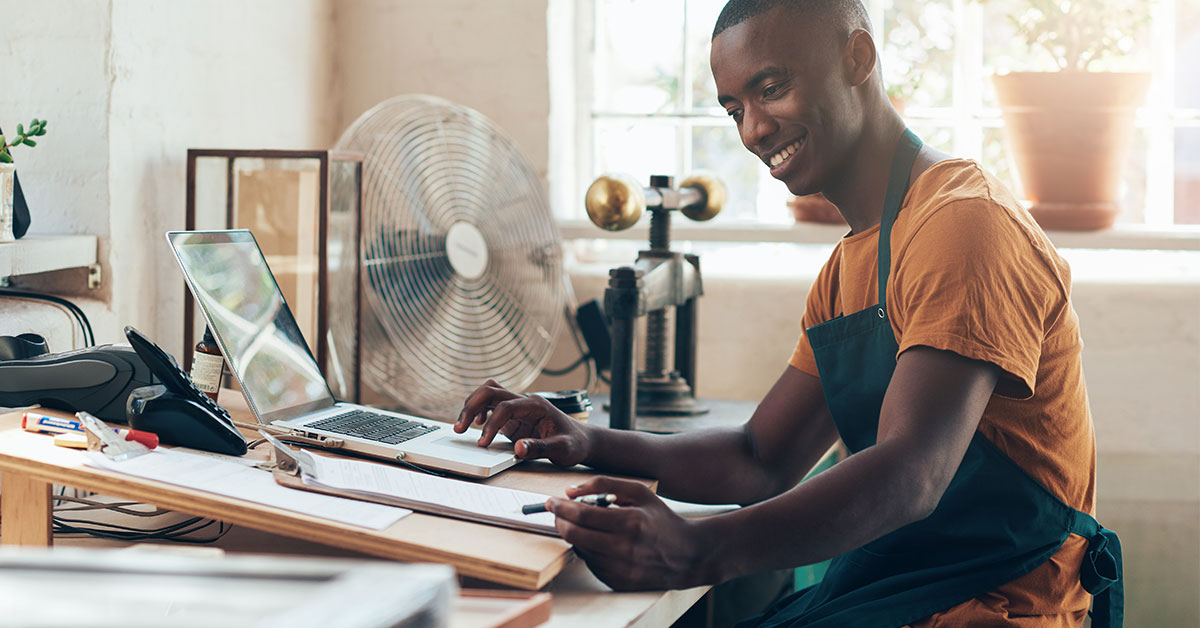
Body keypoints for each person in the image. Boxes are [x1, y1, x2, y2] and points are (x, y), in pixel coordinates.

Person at [456, 1, 1123, 626]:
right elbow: (762, 457)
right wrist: (585, 441)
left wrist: (696, 548)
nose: (752, 129)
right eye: (732, 109)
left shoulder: (963, 223)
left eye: (771, 89)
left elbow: (911, 475)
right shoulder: (850, 266)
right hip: (901, 591)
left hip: (994, 605)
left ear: (857, 60)